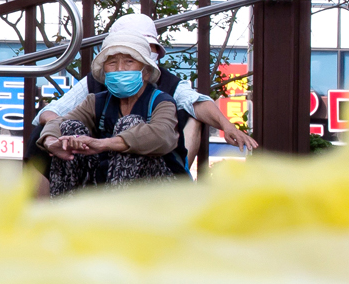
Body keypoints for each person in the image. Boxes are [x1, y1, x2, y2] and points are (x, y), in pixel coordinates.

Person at [35, 11, 259, 158]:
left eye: (131, 59)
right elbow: (54, 114)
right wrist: (57, 138)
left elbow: (194, 105)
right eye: (114, 60)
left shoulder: (164, 95)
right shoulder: (95, 93)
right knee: (43, 137)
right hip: (98, 160)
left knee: (134, 125)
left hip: (152, 164)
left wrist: (226, 125)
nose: (121, 68)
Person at [40, 24, 183, 196]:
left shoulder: (162, 102)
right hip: (103, 183)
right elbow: (59, 122)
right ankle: (69, 211)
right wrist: (52, 141)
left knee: (130, 124)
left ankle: (121, 215)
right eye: (112, 63)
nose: (120, 69)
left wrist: (103, 144)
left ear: (146, 71)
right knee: (69, 129)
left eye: (129, 61)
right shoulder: (97, 101)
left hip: (156, 192)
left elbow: (162, 135)